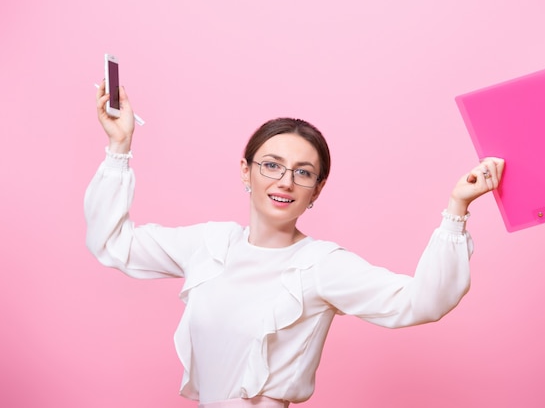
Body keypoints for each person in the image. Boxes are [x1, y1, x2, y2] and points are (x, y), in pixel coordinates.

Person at [85, 84, 504, 408]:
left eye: (303, 173)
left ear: (316, 191)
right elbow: (112, 244)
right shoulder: (207, 243)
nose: (285, 181)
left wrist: (457, 208)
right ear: (246, 172)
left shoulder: (320, 265)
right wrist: (119, 147)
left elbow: (421, 302)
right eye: (272, 165)